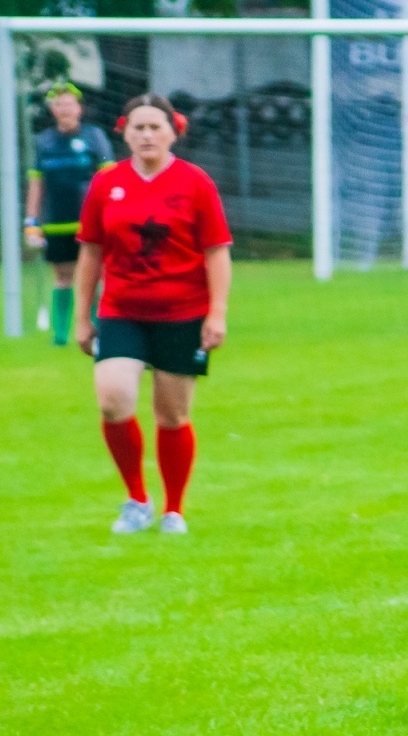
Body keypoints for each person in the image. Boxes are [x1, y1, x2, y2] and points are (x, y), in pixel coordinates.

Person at [75, 93, 232, 535]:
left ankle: (173, 510)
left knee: (172, 415)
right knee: (113, 399)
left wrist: (216, 314)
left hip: (183, 313)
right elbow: (90, 252)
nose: (146, 135)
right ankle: (136, 500)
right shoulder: (107, 185)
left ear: (173, 132)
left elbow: (216, 252)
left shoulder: (195, 183)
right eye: (138, 128)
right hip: (122, 310)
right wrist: (83, 316)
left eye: (155, 127)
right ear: (124, 133)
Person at [24, 82, 116, 347]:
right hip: (56, 223)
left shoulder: (94, 137)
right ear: (53, 110)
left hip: (90, 222)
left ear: (79, 108)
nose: (64, 109)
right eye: (59, 104)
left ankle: (98, 328)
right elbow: (36, 185)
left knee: (97, 275)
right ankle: (61, 334)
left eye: (69, 104)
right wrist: (32, 221)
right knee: (63, 276)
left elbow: (108, 179)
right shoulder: (44, 142)